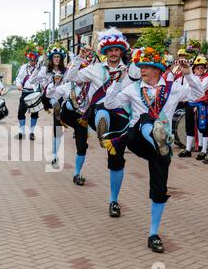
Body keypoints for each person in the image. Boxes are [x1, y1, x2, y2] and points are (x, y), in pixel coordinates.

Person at [104, 46, 204, 253]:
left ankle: (153, 234)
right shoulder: (132, 89)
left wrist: (188, 74)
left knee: (159, 189)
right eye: (140, 67)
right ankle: (154, 135)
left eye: (147, 67)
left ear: (157, 69)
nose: (142, 70)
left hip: (162, 148)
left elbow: (198, 94)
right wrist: (114, 82)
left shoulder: (173, 87)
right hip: (138, 139)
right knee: (144, 119)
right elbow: (110, 103)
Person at [65, 27, 139, 218]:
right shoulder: (95, 69)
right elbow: (70, 77)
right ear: (105, 51)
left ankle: (114, 200)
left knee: (116, 162)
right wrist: (79, 59)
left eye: (116, 49)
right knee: (102, 109)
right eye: (110, 50)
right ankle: (101, 131)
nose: (113, 53)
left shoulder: (131, 71)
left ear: (121, 51)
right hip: (97, 113)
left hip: (121, 119)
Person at [47, 45, 95, 185]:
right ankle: (55, 154)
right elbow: (51, 94)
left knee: (81, 146)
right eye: (79, 71)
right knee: (66, 107)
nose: (81, 75)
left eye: (84, 72)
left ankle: (77, 173)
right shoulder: (67, 85)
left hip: (81, 119)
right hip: (66, 115)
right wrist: (52, 87)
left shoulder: (92, 87)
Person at [29, 43, 67, 163]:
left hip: (59, 99)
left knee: (58, 127)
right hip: (47, 98)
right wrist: (38, 68)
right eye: (54, 57)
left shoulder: (65, 71)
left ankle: (55, 154)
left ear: (61, 59)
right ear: (51, 59)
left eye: (58, 57)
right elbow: (32, 80)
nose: (56, 59)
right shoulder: (45, 70)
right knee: (51, 101)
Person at [178, 55, 208, 159]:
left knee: (203, 127)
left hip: (201, 106)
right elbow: (185, 91)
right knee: (189, 127)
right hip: (190, 104)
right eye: (197, 68)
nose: (200, 70)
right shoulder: (191, 78)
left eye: (202, 67)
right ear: (194, 69)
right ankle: (188, 149)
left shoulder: (207, 79)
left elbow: (200, 91)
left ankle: (204, 150)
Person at [15, 44, 44, 140]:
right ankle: (22, 132)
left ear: (36, 60)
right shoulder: (23, 67)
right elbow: (18, 79)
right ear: (29, 59)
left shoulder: (40, 68)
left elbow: (43, 80)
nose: (32, 62)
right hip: (25, 92)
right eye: (31, 60)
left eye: (34, 60)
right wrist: (18, 85)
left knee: (34, 113)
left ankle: (31, 132)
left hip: (35, 93)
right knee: (20, 113)